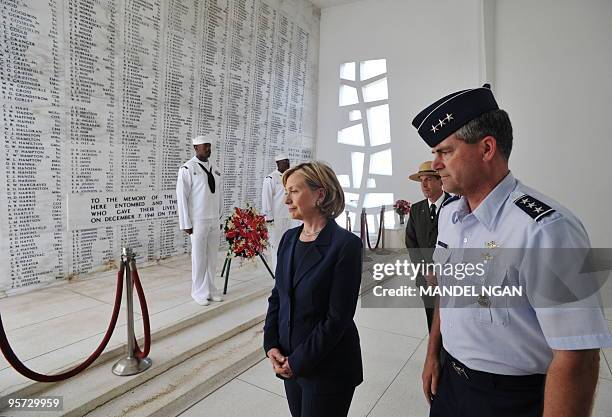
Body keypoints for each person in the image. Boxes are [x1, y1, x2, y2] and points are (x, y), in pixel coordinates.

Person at [411, 84, 612, 417]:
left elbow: (576, 354)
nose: (435, 165)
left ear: (487, 148)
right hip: (451, 383)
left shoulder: (545, 229)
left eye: (445, 152)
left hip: (512, 399)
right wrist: (434, 353)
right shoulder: (450, 215)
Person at [263, 161, 363, 417]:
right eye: (286, 191)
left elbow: (337, 318)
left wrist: (297, 362)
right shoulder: (288, 239)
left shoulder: (345, 245)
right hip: (289, 360)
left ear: (320, 194)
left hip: (327, 366)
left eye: (294, 191)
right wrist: (271, 345)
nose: (286, 199)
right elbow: (278, 296)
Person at [176, 135, 224, 306]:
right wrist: (186, 223)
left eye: (209, 146)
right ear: (196, 148)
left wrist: (219, 217)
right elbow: (182, 197)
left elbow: (219, 195)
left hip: (213, 219)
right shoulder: (187, 169)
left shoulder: (215, 169)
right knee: (199, 257)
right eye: (205, 147)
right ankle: (198, 291)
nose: (208, 150)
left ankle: (211, 288)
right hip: (198, 220)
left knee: (212, 257)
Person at [405, 161, 451, 332]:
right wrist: (426, 271)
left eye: (429, 179)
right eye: (421, 180)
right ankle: (435, 355)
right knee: (432, 319)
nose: (424, 185)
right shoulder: (416, 209)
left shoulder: (456, 206)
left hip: (451, 278)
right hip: (426, 279)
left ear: (441, 181)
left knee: (451, 321)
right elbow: (411, 243)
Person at [262, 154, 292, 270]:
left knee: (287, 246)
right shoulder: (271, 178)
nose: (288, 164)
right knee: (276, 246)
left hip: (289, 217)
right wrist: (268, 219)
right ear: (278, 163)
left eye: (288, 161)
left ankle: (285, 270)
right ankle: (276, 272)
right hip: (276, 218)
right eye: (285, 162)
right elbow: (266, 199)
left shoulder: (289, 177)